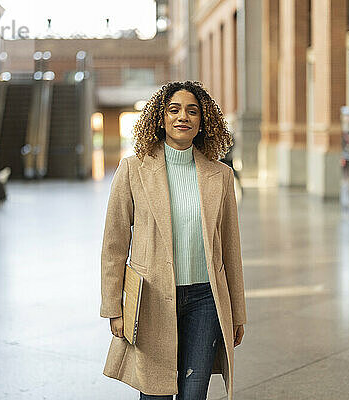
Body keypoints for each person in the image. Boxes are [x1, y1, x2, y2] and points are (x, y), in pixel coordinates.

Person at [100, 81, 247, 400]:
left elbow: (230, 250)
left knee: (194, 395)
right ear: (160, 118)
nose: (183, 116)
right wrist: (114, 307)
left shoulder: (220, 175)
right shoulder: (133, 170)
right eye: (174, 109)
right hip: (150, 299)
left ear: (203, 120)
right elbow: (114, 244)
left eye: (192, 111)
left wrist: (236, 312)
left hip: (206, 301)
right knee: (155, 394)